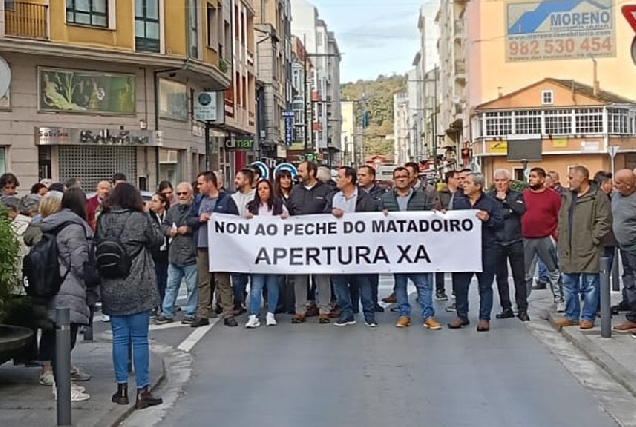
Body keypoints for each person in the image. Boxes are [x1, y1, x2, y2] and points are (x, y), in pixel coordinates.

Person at [96, 183, 163, 409]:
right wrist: (148, 215)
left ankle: (121, 389)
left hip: (112, 285)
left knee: (120, 339)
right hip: (138, 284)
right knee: (140, 339)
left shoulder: (103, 219)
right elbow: (158, 239)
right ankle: (143, 390)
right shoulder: (139, 218)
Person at [41, 188, 92, 401]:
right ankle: (63, 389)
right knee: (65, 340)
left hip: (53, 285)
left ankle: (62, 384)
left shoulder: (52, 222)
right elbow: (79, 261)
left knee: (56, 337)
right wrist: (92, 275)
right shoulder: (74, 227)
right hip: (69, 287)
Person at [555, 166, 611, 329]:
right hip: (568, 246)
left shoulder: (597, 197)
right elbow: (562, 217)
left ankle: (588, 317)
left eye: (571, 178)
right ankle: (571, 315)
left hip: (589, 248)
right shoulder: (567, 197)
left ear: (582, 178)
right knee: (569, 283)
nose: (568, 181)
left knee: (591, 284)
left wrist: (594, 239)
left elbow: (604, 221)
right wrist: (560, 234)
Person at [244, 179, 288, 328]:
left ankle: (271, 313)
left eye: (265, 188)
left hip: (274, 253)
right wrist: (247, 218)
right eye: (259, 188)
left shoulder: (279, 206)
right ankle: (253, 315)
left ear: (271, 190)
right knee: (256, 286)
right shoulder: (251, 207)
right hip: (256, 253)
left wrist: (284, 219)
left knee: (272, 285)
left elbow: (289, 224)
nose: (262, 191)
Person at [148, 192, 170, 316]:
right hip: (153, 253)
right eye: (152, 200)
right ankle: (155, 305)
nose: (152, 203)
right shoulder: (148, 217)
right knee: (155, 280)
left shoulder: (169, 215)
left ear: (163, 203)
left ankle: (164, 304)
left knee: (165, 281)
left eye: (156, 201)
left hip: (168, 253)